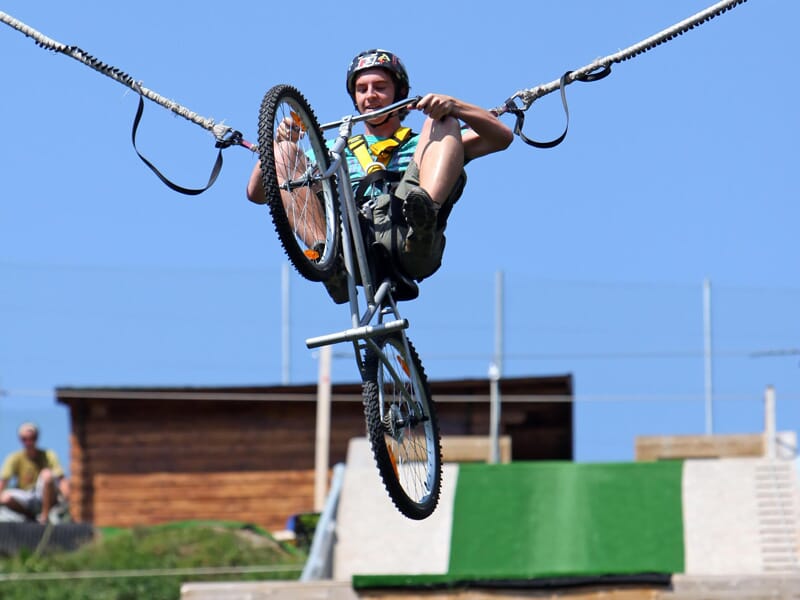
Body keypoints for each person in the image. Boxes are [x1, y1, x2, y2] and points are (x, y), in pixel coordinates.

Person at [247, 48, 513, 302]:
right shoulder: (329, 149)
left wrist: (454, 106)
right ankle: (327, 257)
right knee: (282, 152)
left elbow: (500, 137)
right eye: (362, 89)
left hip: (406, 233)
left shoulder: (429, 144)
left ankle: (423, 218)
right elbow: (258, 193)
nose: (370, 96)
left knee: (442, 121)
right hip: (348, 240)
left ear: (400, 94)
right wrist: (276, 142)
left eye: (380, 87)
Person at [0, 422, 65, 523]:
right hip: (26, 498)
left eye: (32, 438)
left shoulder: (48, 455)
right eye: (25, 439)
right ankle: (31, 518)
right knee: (4, 497)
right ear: (20, 440)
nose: (29, 442)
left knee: (47, 474)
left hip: (45, 498)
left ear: (37, 438)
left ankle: (45, 517)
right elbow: (3, 482)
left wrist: (70, 501)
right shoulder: (14, 458)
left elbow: (62, 480)